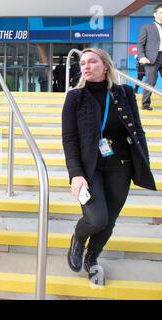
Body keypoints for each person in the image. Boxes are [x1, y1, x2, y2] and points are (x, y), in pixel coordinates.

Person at [62, 48, 156, 285]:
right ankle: (78, 238)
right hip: (90, 167)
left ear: (105, 66)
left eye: (92, 61)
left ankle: (92, 258)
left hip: (120, 166)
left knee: (110, 220)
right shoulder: (75, 97)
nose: (86, 66)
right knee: (96, 219)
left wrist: (142, 161)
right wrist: (75, 174)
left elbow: (138, 130)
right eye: (82, 62)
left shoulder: (124, 93)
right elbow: (69, 139)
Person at [137, 3, 162, 111]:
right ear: (154, 14)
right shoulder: (146, 27)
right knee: (151, 81)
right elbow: (140, 44)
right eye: (161, 12)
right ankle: (145, 103)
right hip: (152, 58)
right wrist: (141, 56)